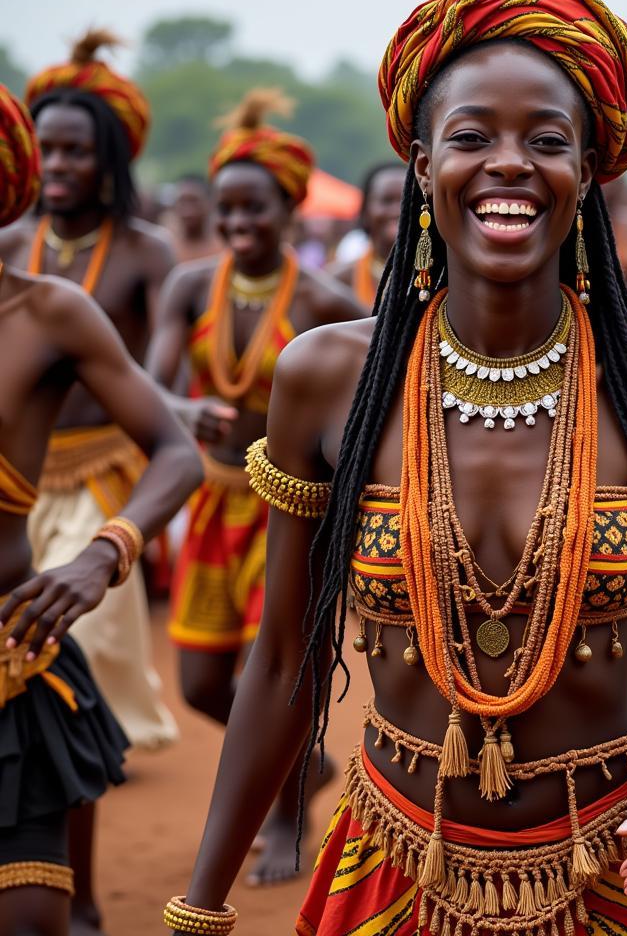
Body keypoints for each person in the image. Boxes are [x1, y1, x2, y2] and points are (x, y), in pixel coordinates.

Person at [164, 0, 627, 936]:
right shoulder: (327, 375)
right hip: (393, 869)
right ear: (418, 159)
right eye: (470, 138)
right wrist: (200, 901)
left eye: (545, 141)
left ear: (588, 171)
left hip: (614, 865)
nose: (508, 165)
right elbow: (282, 660)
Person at [146, 89, 366, 886]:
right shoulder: (187, 287)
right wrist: (182, 407)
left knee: (278, 665)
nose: (238, 225)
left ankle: (286, 819)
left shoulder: (327, 305)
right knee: (203, 680)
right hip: (209, 499)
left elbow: (365, 415)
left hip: (293, 508)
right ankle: (302, 768)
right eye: (226, 209)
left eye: (255, 210)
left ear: (292, 209)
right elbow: (151, 383)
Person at [0, 83, 203, 936]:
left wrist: (101, 554)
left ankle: (83, 906)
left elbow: (175, 449)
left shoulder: (47, 311)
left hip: (12, 663)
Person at [0, 29, 180, 752]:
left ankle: (78, 751)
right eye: (52, 149)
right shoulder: (16, 247)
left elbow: (163, 353)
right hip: (27, 476)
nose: (63, 165)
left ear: (110, 158)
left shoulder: (143, 250)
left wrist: (176, 403)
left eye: (79, 150)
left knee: (90, 623)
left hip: (104, 465)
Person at [327, 161, 405, 309]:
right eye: (387, 201)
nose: (397, 211)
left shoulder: (440, 278)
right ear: (365, 211)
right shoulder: (336, 282)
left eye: (406, 200)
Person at [168, 175, 221, 263]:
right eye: (182, 201)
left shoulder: (223, 245)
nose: (188, 211)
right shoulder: (167, 247)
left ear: (209, 203)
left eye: (194, 201)